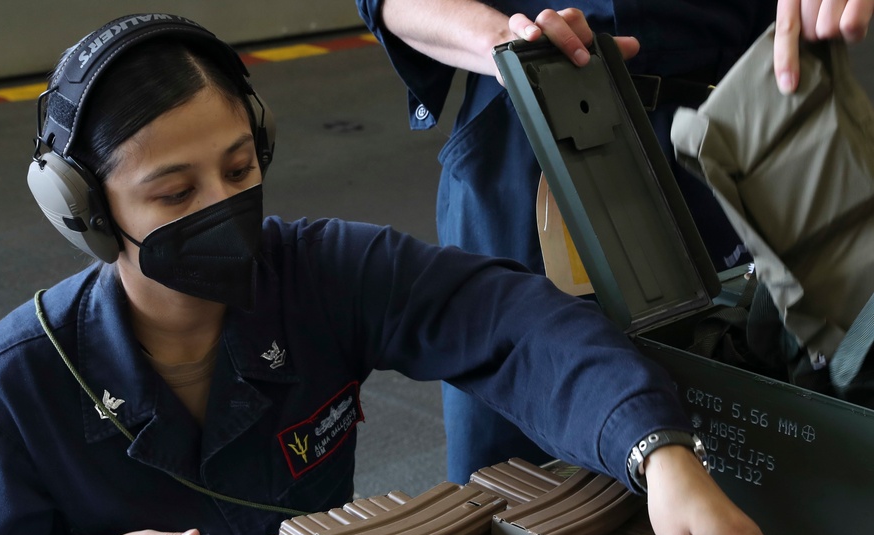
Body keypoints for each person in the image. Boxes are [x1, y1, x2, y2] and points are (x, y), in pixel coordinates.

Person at [0, 13, 806, 535]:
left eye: (239, 166)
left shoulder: (320, 274)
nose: (226, 207)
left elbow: (515, 324)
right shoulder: (13, 385)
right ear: (86, 212)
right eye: (175, 194)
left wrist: (663, 459)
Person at [356, 0, 874, 485]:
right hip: (533, 135)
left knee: (760, 440)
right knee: (517, 471)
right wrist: (508, 41)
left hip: (735, 133)